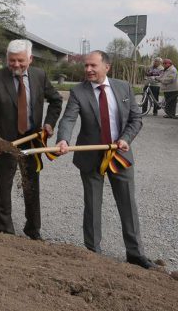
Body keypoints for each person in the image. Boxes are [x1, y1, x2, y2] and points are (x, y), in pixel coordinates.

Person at [55, 50, 155, 269]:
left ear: (106, 67)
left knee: (128, 204)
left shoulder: (123, 88)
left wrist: (126, 139)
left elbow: (136, 119)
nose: (88, 70)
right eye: (86, 66)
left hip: (120, 156)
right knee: (92, 205)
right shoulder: (78, 92)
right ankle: (93, 254)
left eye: (93, 66)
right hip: (90, 157)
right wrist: (63, 139)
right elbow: (68, 119)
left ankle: (136, 253)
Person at [0, 39, 62, 240]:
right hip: (6, 143)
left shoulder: (39, 76)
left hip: (32, 142)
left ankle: (33, 229)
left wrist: (49, 124)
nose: (15, 65)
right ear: (7, 59)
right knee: (4, 188)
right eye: (11, 60)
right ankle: (6, 232)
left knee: (31, 186)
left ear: (30, 59)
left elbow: (56, 100)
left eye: (20, 61)